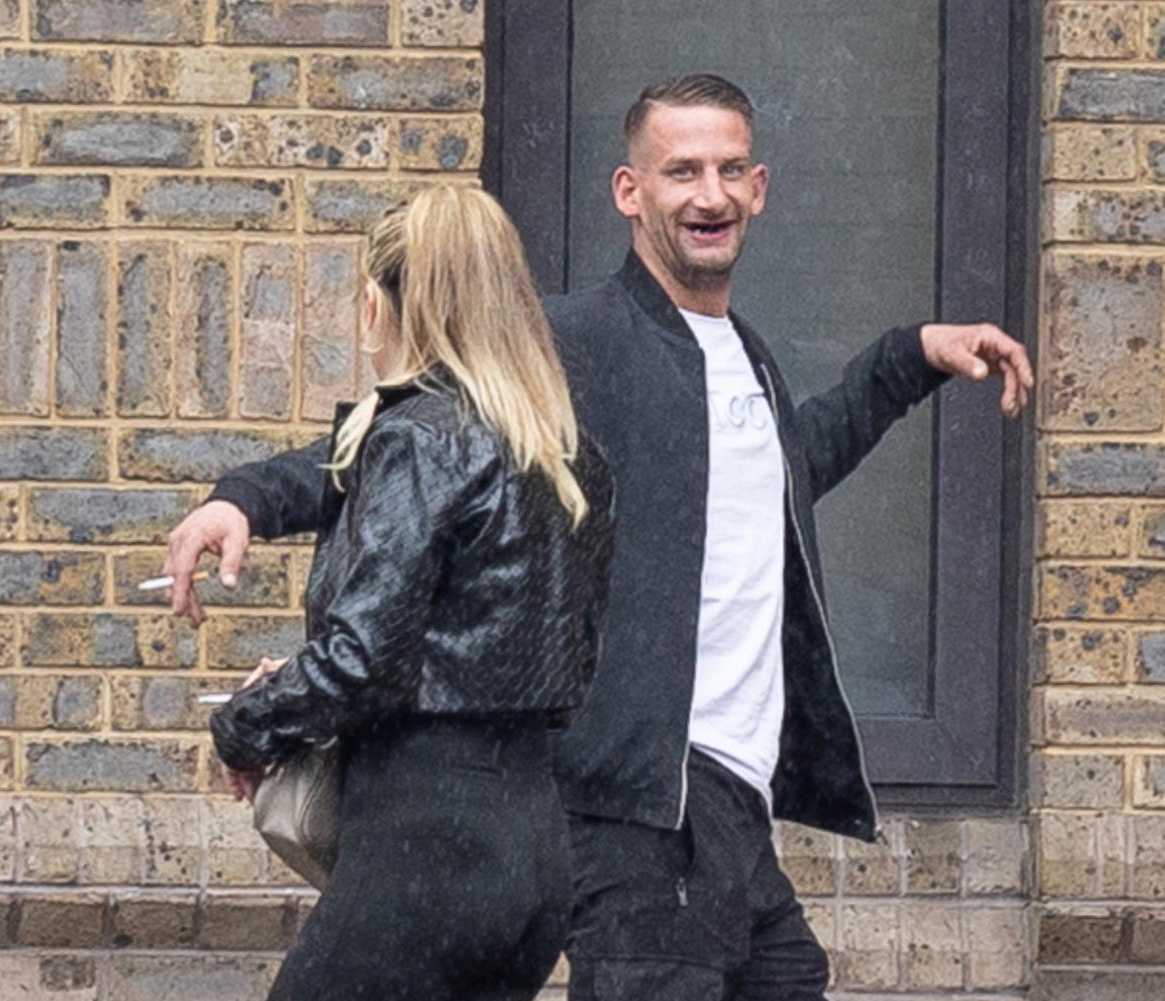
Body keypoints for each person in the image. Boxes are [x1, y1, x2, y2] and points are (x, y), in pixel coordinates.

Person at [168, 76, 1032, 1000]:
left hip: (730, 804)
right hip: (639, 803)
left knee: (788, 976)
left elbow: (789, 477)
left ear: (761, 187)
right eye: (682, 170)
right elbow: (427, 443)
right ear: (630, 191)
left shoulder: (749, 358)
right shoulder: (575, 343)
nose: (710, 194)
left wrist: (907, 361)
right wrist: (251, 499)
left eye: (730, 169)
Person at [206, 184, 615, 1001]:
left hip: (424, 842)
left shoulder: (419, 439)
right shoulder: (571, 457)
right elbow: (525, 654)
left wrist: (243, 724)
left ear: (378, 303)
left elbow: (361, 662)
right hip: (534, 849)